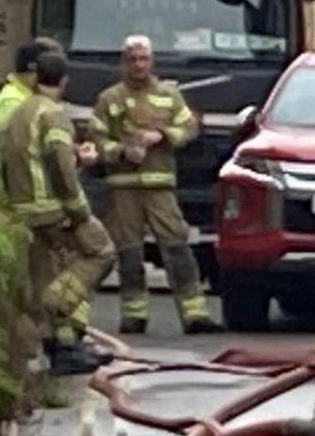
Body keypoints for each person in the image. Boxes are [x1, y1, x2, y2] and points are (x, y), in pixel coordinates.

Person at [91, 35, 219, 335]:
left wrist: (163, 136)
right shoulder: (109, 99)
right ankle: (134, 315)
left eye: (143, 59)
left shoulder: (169, 95)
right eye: (132, 59)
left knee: (177, 246)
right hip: (123, 186)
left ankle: (194, 314)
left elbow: (189, 127)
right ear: (124, 62)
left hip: (160, 186)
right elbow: (97, 140)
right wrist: (122, 150)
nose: (138, 65)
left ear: (152, 61)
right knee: (129, 252)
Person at [6, 46, 115, 376]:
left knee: (46, 271)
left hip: (22, 206)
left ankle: (62, 349)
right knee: (100, 251)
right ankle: (55, 306)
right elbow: (60, 166)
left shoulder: (21, 112)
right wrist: (78, 210)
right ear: (64, 81)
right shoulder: (53, 115)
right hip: (51, 208)